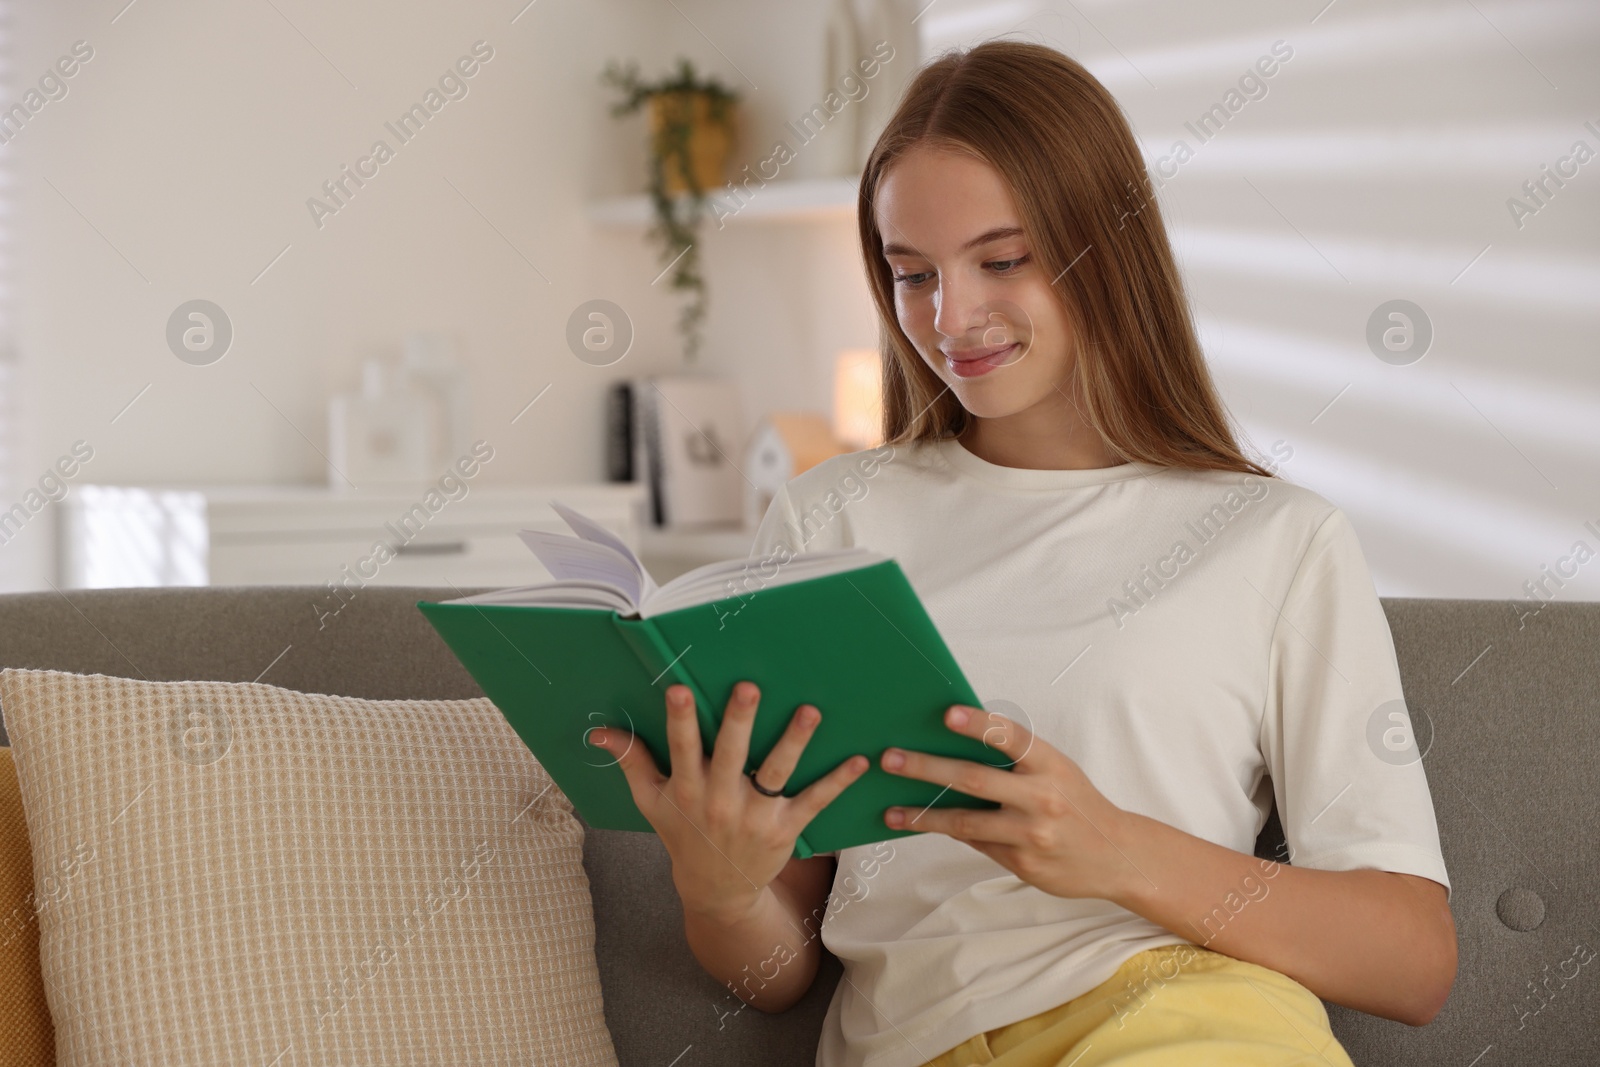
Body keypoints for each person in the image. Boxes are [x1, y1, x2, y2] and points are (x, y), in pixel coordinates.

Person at [586, 38, 1455, 1067]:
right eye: (912, 275)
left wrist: (1118, 850)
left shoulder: (1277, 539)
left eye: (1002, 260)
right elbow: (776, 979)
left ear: (1108, 243)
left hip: (1186, 1027)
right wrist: (719, 884)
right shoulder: (834, 519)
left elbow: (1412, 958)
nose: (950, 320)